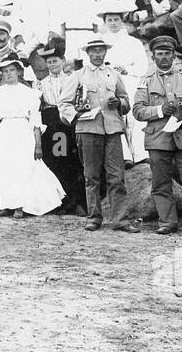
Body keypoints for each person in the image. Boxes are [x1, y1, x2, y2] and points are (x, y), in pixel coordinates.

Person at [132, 36, 182, 237]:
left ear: (174, 55)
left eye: (168, 53)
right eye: (160, 54)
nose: (164, 57)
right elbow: (137, 111)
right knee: (161, 183)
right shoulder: (146, 81)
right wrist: (160, 110)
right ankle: (167, 222)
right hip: (157, 138)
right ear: (153, 56)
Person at [56, 36, 133, 231]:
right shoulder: (78, 75)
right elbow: (64, 103)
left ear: (105, 52)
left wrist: (119, 103)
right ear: (87, 53)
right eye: (94, 51)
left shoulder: (114, 74)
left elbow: (125, 101)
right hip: (88, 129)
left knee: (116, 176)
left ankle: (120, 220)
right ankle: (94, 217)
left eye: (101, 50)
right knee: (91, 176)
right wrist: (77, 116)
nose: (98, 54)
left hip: (113, 129)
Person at [0, 54, 64, 217]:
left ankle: (20, 205)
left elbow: (35, 120)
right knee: (4, 168)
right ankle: (7, 204)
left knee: (22, 168)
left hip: (22, 131)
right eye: (5, 71)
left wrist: (38, 144)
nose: (8, 74)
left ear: (19, 72)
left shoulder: (29, 93)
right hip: (4, 131)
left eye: (12, 70)